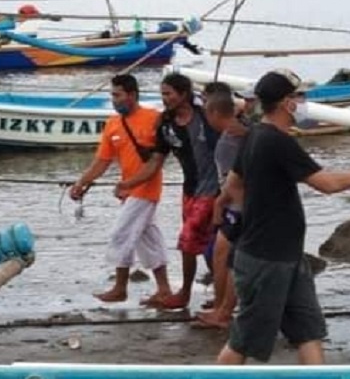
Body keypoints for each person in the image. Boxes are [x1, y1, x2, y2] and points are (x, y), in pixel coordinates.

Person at [216, 69, 350, 365]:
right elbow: (328, 184)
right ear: (287, 103)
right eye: (300, 96)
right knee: (244, 340)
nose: (304, 101)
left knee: (308, 331)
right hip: (266, 258)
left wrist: (256, 209)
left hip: (288, 256)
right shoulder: (276, 141)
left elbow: (232, 185)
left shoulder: (255, 133)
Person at [117, 73, 221, 310]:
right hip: (190, 191)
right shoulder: (166, 125)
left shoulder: (206, 116)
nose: (164, 99)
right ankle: (221, 292)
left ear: (184, 94)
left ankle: (184, 293)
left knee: (187, 242)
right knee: (206, 245)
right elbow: (155, 162)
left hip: (214, 189)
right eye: (162, 94)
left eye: (168, 94)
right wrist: (129, 183)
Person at [70, 74, 171, 306]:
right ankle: (164, 289)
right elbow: (102, 161)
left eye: (117, 95)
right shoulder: (112, 124)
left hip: (146, 189)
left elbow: (161, 157)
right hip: (128, 192)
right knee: (149, 240)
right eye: (112, 95)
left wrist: (127, 185)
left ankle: (120, 287)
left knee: (121, 234)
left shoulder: (154, 119)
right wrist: (81, 182)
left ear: (132, 95)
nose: (114, 100)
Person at [195, 91, 250, 329]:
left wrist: (221, 203)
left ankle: (224, 312)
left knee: (229, 260)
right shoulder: (233, 134)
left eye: (207, 112)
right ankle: (221, 307)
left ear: (214, 113)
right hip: (232, 205)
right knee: (218, 255)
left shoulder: (233, 140)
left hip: (238, 208)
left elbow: (235, 181)